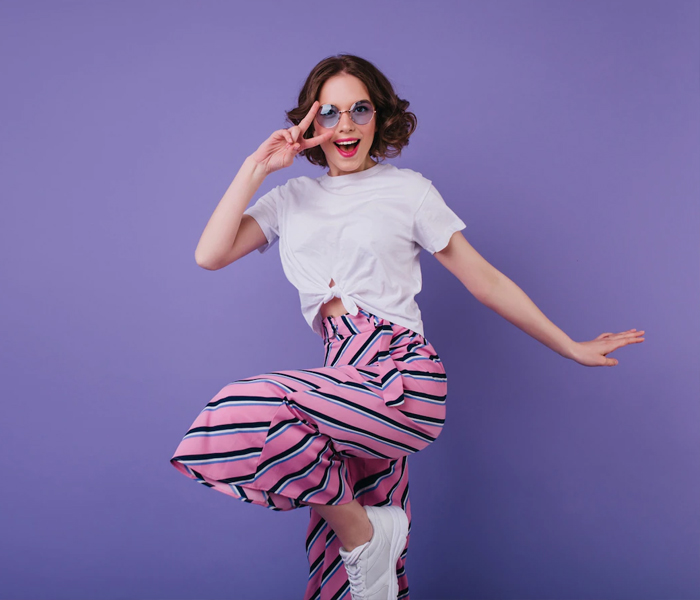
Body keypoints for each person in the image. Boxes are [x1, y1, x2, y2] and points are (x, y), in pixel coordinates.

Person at [169, 54, 645, 600]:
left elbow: (485, 281)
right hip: (341, 385)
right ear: (311, 123)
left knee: (253, 408)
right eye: (330, 113)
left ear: (380, 116)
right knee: (352, 577)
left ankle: (368, 534)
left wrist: (570, 346)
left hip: (399, 375)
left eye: (359, 110)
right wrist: (257, 167)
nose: (345, 125)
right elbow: (210, 254)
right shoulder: (290, 199)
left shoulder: (408, 191)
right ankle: (370, 538)